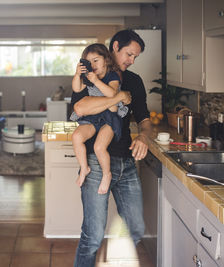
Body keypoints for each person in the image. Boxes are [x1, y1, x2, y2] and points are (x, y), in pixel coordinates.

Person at [72, 30, 152, 267]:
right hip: (96, 165)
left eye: (135, 57)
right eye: (129, 54)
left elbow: (145, 120)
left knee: (135, 229)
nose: (131, 60)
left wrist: (145, 137)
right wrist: (119, 97)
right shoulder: (90, 74)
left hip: (126, 164)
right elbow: (80, 107)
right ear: (115, 47)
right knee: (93, 236)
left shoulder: (135, 81)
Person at [70, 43, 129, 194]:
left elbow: (112, 95)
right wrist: (77, 75)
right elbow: (77, 88)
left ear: (106, 60)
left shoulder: (112, 76)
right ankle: (84, 168)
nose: (93, 65)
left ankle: (106, 174)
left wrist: (96, 81)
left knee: (99, 147)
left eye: (96, 60)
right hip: (94, 115)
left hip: (110, 117)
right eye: (89, 62)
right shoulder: (88, 77)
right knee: (76, 136)